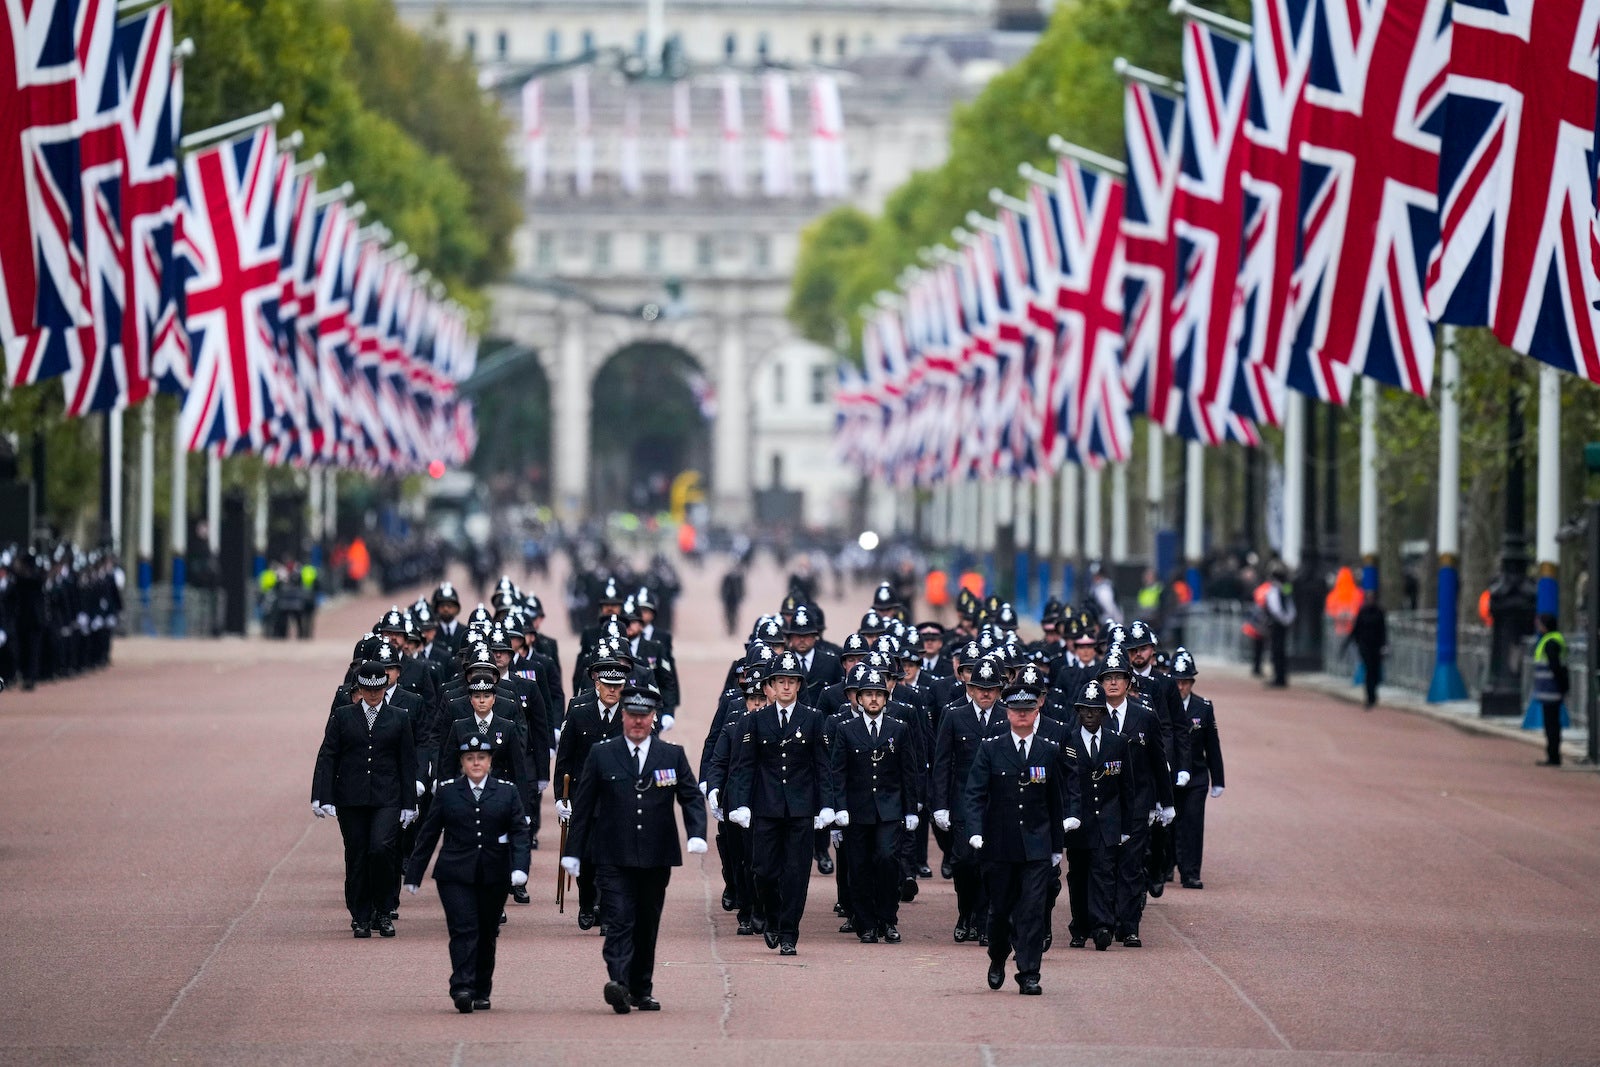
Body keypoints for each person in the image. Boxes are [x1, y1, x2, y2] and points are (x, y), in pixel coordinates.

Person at [562, 681, 707, 1013]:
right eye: (632, 715)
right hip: (612, 854)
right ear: (623, 717)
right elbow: (583, 807)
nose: (638, 722)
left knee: (646, 923)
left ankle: (641, 988)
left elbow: (690, 797)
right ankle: (619, 982)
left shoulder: (671, 754)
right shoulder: (602, 754)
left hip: (657, 856)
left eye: (644, 716)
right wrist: (573, 851)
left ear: (653, 717)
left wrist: (696, 831)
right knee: (618, 918)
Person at [404, 734, 531, 1013]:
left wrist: (520, 868)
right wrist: (414, 874)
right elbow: (428, 835)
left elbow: (520, 833)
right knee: (463, 928)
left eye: (481, 758)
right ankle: (461, 986)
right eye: (470, 758)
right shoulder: (448, 792)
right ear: (462, 762)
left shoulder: (507, 792)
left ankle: (481, 988)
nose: (476, 763)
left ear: (490, 762)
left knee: (486, 932)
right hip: (454, 873)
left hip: (494, 873)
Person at [961, 680, 1069, 995]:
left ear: (1037, 711)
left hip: (1036, 845)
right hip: (999, 844)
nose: (1022, 716)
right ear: (1008, 713)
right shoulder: (991, 748)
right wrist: (976, 832)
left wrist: (1056, 847)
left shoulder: (1049, 750)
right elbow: (974, 795)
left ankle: (1029, 973)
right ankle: (997, 957)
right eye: (1017, 710)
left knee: (1033, 910)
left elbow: (1055, 801)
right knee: (998, 912)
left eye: (1028, 710)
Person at [725, 649, 831, 956]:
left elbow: (823, 765)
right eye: (780, 681)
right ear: (770, 685)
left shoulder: (813, 719)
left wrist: (826, 805)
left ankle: (789, 932)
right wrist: (741, 804)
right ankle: (772, 915)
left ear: (799, 685)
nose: (786, 687)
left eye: (791, 681)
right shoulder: (756, 720)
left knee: (796, 873)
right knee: (764, 871)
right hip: (766, 807)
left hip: (800, 808)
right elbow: (744, 765)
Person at [311, 656, 419, 938]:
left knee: (382, 850)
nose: (373, 694)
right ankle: (360, 915)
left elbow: (408, 762)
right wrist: (321, 795)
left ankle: (384, 911)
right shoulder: (343, 716)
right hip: (351, 797)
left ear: (385, 687)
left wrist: (410, 803)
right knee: (357, 855)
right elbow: (328, 756)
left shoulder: (399, 717)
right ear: (359, 688)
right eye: (368, 689)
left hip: (388, 796)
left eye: (378, 689)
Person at [827, 662, 920, 944]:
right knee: (859, 866)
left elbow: (908, 771)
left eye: (878, 694)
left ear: (886, 697)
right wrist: (838, 808)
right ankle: (866, 923)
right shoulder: (846, 729)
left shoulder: (899, 728)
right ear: (859, 698)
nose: (874, 699)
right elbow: (838, 772)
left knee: (887, 859)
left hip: (890, 809)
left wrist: (910, 808)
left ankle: (888, 919)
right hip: (857, 810)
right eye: (868, 694)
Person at [1169, 650, 1225, 888]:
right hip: (1169, 775)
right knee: (1168, 824)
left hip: (1196, 776)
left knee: (1192, 823)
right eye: (1177, 681)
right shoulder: (1162, 707)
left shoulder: (1203, 707)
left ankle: (1191, 872)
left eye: (1186, 681)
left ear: (1192, 682)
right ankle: (1165, 867)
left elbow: (1212, 745)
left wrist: (1218, 779)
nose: (1181, 686)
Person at [1532, 613, 1568, 767]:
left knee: (1551, 725)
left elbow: (1555, 667)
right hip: (1552, 690)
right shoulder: (1554, 639)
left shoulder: (1550, 642)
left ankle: (1553, 756)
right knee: (1552, 724)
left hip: (1551, 690)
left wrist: (1561, 686)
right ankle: (1553, 755)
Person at [1345, 592, 1389, 709]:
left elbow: (1383, 630)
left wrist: (1384, 645)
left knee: (1374, 671)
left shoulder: (1379, 612)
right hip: (1364, 646)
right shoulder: (1362, 611)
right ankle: (1370, 697)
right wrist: (1349, 643)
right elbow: (1356, 628)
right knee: (1369, 670)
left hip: (1376, 646)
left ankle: (1373, 694)